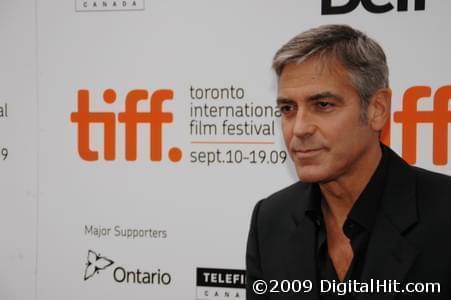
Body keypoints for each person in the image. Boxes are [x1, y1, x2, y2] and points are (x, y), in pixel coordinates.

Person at [246, 24, 451, 300]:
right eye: (287, 109)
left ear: (377, 109)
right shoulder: (270, 219)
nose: (299, 128)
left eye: (323, 105)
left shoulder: (444, 213)